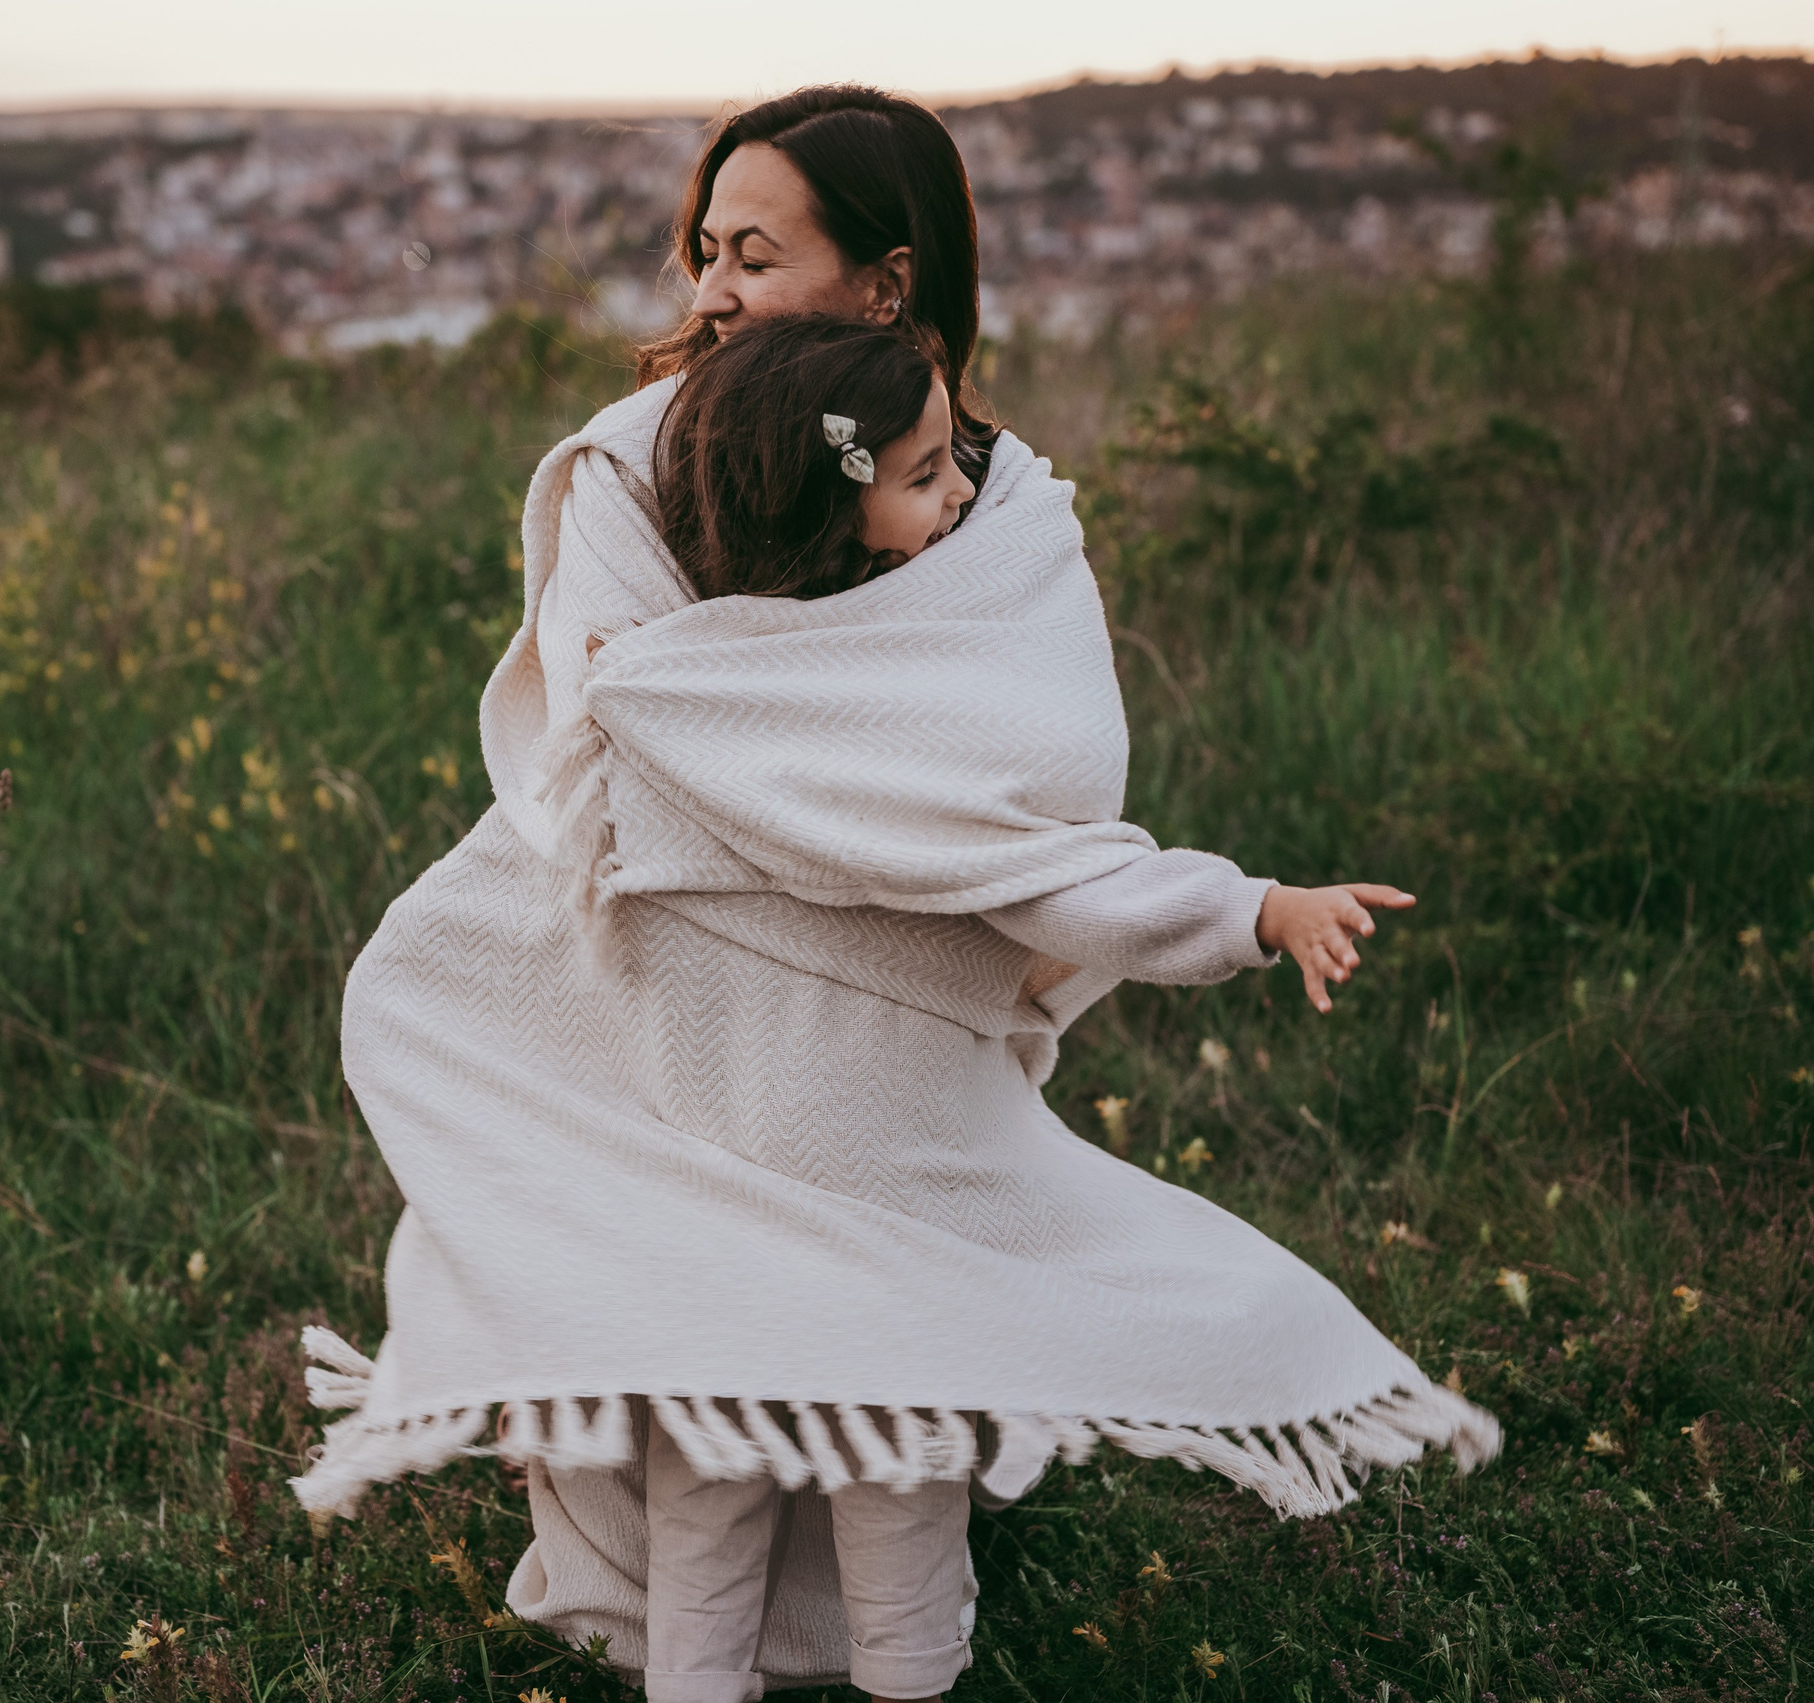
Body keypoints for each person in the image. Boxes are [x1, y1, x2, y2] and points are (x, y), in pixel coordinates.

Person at [291, 88, 1501, 1703]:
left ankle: (891, 1661)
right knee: (708, 1417)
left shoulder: (987, 506)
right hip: (693, 1056)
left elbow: (1035, 766)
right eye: (702, 250)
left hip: (886, 1083)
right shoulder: (638, 465)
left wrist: (972, 847)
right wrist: (860, 822)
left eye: (756, 253)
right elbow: (630, 739)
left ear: (884, 281)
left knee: (886, 1408)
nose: (711, 288)